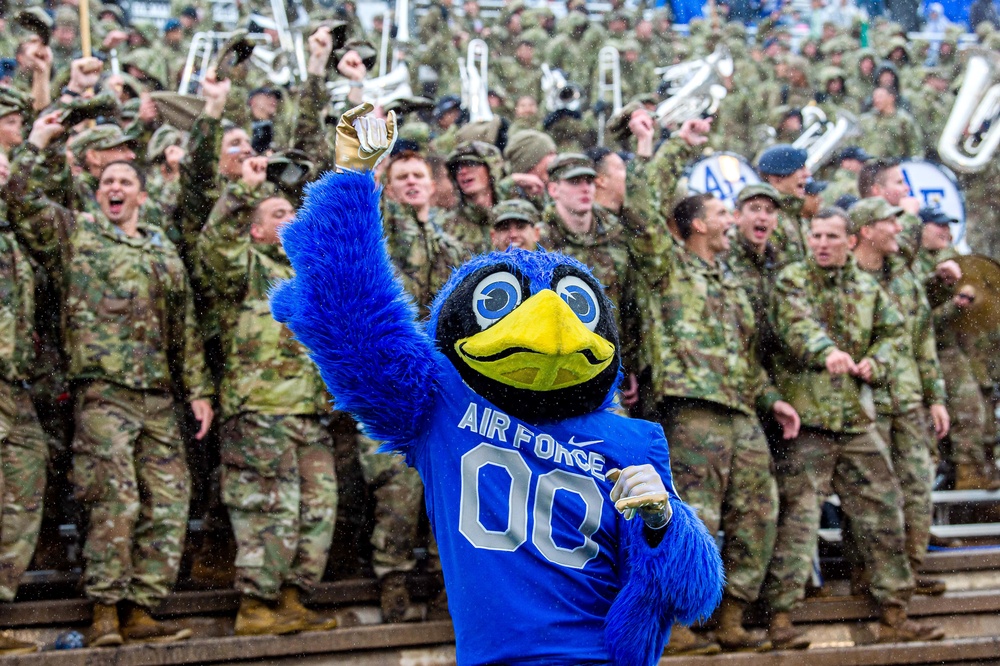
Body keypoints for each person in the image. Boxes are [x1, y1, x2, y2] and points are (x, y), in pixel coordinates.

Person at [10, 112, 213, 647]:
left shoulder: (160, 249)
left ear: (142, 196)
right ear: (96, 193)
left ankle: (142, 607)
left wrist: (198, 390)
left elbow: (184, 326)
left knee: (169, 501)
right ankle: (105, 609)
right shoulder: (76, 235)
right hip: (104, 396)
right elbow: (23, 201)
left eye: (125, 182)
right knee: (113, 499)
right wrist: (37, 142)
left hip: (158, 399)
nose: (115, 188)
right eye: (107, 183)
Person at [762, 207, 944, 644]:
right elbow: (795, 325)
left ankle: (894, 614)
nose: (822, 243)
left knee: (883, 508)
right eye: (816, 235)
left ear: (848, 242)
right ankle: (781, 617)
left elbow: (895, 335)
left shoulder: (867, 286)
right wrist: (827, 351)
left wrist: (875, 364)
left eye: (830, 236)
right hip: (809, 420)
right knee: (799, 519)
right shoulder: (792, 279)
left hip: (855, 420)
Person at [637, 193, 799, 654]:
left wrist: (772, 400)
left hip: (741, 410)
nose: (732, 222)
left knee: (757, 513)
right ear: (698, 225)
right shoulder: (668, 266)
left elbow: (746, 360)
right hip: (693, 409)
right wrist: (668, 144)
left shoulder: (731, 280)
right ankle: (679, 626)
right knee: (694, 519)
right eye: (722, 214)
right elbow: (644, 205)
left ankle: (732, 617)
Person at [198, 156, 339, 636]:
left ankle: (293, 597)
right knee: (268, 508)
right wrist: (242, 190)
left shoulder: (312, 280)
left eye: (292, 214)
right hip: (260, 411)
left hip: (309, 414)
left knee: (319, 509)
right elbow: (216, 247)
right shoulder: (247, 269)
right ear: (256, 232)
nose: (290, 219)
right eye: (277, 214)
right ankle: (256, 605)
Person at [848, 197, 950, 596]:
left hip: (908, 400)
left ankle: (908, 570)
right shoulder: (846, 278)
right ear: (866, 231)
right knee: (870, 496)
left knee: (917, 488)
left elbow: (922, 342)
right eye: (888, 222)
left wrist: (935, 397)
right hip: (867, 402)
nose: (897, 228)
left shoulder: (904, 278)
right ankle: (866, 576)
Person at [757, 144, 812, 267]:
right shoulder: (767, 217)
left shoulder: (793, 213)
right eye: (801, 168)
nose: (807, 174)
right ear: (777, 178)